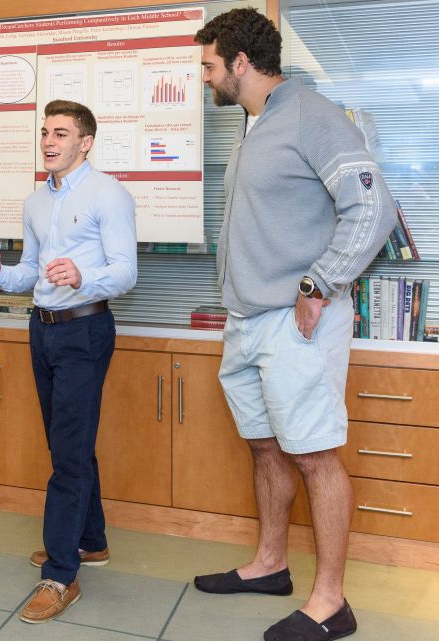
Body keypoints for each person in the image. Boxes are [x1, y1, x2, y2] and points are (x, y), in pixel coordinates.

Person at [192, 9, 396, 641]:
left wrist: (320, 282)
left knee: (314, 456)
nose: (204, 78)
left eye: (208, 65)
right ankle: (270, 564)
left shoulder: (312, 116)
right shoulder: (259, 124)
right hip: (249, 320)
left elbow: (373, 207)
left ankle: (331, 603)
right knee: (266, 444)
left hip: (297, 321)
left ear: (240, 65)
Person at [0, 100, 137, 624]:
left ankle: (61, 575)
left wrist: (82, 279)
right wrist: (0, 276)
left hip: (85, 330)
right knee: (69, 442)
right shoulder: (35, 201)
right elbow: (31, 273)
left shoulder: (108, 194)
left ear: (84, 142)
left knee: (68, 453)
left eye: (60, 133)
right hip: (42, 331)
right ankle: (90, 541)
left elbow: (125, 272)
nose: (49, 141)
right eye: (45, 132)